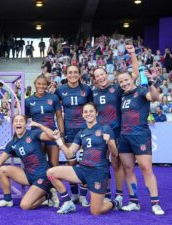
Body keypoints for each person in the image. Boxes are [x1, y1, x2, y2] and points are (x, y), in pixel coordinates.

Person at [47, 103, 121, 215]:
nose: (88, 114)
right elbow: (69, 153)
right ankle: (68, 202)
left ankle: (116, 202)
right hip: (82, 170)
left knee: (96, 211)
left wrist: (110, 143)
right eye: (85, 112)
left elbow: (115, 154)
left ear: (96, 113)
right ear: (82, 115)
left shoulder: (105, 128)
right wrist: (58, 140)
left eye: (91, 111)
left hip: (98, 171)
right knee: (51, 173)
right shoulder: (81, 133)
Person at [0, 115, 58, 210]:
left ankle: (48, 195)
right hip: (28, 175)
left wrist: (39, 125)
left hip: (42, 175)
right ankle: (7, 200)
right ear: (13, 124)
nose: (18, 123)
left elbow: (53, 136)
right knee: (2, 170)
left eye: (21, 121)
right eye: (16, 121)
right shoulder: (12, 143)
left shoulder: (34, 134)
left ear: (25, 124)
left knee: (25, 206)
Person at [92, 44, 138, 202]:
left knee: (117, 164)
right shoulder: (94, 92)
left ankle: (118, 195)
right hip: (101, 132)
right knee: (102, 164)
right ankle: (105, 194)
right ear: (95, 79)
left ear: (106, 74)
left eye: (102, 74)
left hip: (116, 131)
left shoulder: (117, 88)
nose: (100, 77)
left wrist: (132, 54)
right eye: (97, 76)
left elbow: (134, 76)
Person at [117, 71, 165, 215]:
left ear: (132, 78)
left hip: (140, 136)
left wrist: (150, 83)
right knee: (127, 169)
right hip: (124, 136)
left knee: (146, 169)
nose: (124, 83)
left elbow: (155, 97)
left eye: (126, 80)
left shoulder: (142, 90)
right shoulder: (123, 96)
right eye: (121, 82)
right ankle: (133, 202)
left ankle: (155, 203)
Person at [55, 65, 93, 205]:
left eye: (75, 72)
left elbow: (92, 109)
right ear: (66, 74)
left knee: (85, 163)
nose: (73, 74)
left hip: (85, 130)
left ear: (80, 74)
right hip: (69, 130)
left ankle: (83, 196)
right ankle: (75, 194)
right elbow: (57, 112)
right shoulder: (60, 90)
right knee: (71, 163)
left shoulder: (86, 89)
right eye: (70, 72)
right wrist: (62, 133)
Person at [25, 75, 63, 168]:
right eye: (39, 84)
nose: (41, 86)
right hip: (36, 135)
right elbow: (25, 120)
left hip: (52, 134)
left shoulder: (54, 98)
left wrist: (61, 134)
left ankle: (53, 182)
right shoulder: (28, 101)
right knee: (38, 165)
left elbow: (59, 117)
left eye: (44, 84)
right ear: (35, 84)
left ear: (47, 85)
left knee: (54, 165)